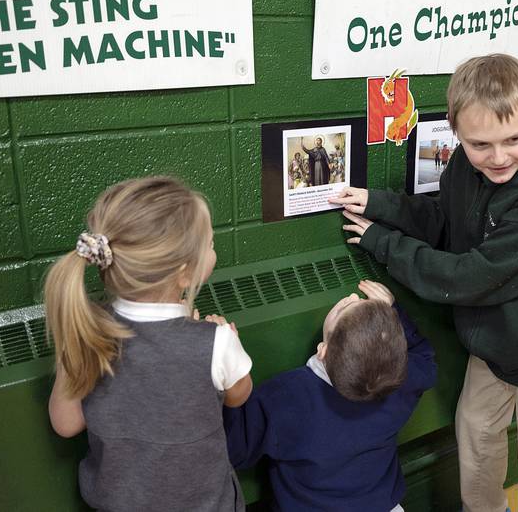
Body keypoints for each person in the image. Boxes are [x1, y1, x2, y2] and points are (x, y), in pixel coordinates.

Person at [329, 53, 518, 512]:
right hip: (492, 347)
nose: (499, 157)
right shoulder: (466, 168)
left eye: (514, 139)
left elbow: (471, 277)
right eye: (480, 144)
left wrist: (383, 244)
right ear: (456, 131)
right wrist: (377, 204)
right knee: (476, 447)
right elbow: (443, 221)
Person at [45, 176, 253, 512]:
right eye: (210, 244)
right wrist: (224, 343)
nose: (213, 250)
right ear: (185, 274)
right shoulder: (216, 342)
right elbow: (238, 395)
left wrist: (72, 351)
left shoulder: (88, 335)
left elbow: (66, 424)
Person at [224, 280, 437, 512]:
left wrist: (230, 376)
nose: (354, 298)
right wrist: (392, 310)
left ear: (322, 351)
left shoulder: (289, 395)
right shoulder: (404, 383)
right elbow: (425, 359)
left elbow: (235, 449)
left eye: (343, 310)